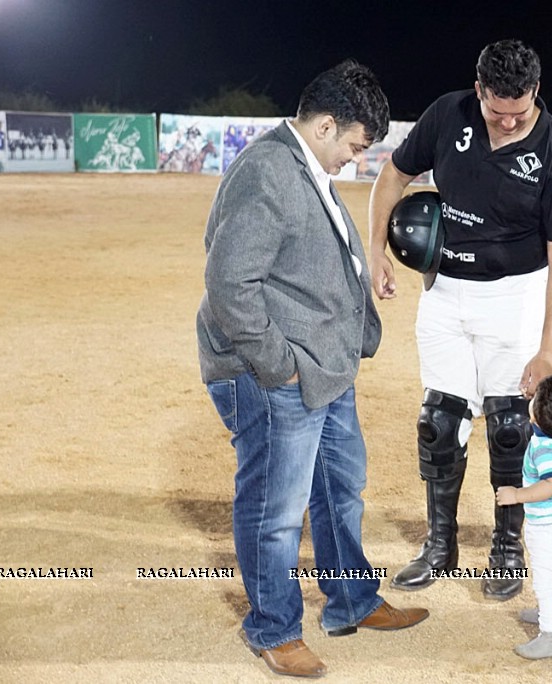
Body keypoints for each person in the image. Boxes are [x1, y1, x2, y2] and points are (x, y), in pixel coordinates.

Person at [197, 60, 428, 679]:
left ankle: (351, 599)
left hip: (324, 368)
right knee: (276, 509)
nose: (355, 160)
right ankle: (272, 628)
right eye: (354, 147)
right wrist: (281, 367)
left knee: (338, 489)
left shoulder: (303, 164)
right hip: (277, 375)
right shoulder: (269, 169)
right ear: (325, 124)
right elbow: (228, 281)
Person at [367, 39, 552, 600]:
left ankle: (508, 545)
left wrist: (549, 352)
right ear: (479, 88)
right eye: (498, 110)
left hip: (515, 296)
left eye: (521, 111)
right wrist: (374, 250)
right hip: (444, 290)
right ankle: (440, 544)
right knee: (439, 422)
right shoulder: (448, 114)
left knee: (510, 427)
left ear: (536, 93)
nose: (510, 122)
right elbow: (393, 175)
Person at [495, 374, 552, 660]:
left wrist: (516, 495)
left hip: (549, 529)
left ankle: (551, 636)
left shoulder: (543, 449)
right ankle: (547, 611)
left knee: (545, 582)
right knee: (547, 579)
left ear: (535, 416)